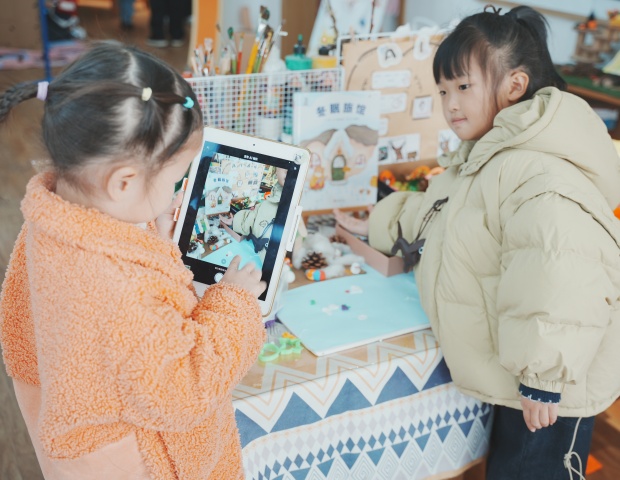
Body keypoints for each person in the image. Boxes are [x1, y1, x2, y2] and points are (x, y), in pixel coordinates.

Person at [335, 5, 620, 479]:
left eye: (463, 87)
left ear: (515, 85)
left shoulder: (540, 171)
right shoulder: (488, 154)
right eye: (443, 90)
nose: (450, 104)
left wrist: (543, 377)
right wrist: (377, 222)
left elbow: (562, 269)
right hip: (521, 373)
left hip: (553, 388)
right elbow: (437, 213)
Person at [0, 42, 266, 480]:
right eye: (173, 178)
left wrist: (151, 238)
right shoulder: (120, 289)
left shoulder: (51, 220)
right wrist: (234, 303)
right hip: (139, 462)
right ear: (123, 183)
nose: (176, 190)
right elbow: (183, 392)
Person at [220, 167, 287, 263]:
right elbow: (254, 219)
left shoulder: (291, 206)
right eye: (284, 167)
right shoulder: (269, 202)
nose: (288, 171)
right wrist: (235, 221)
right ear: (276, 171)